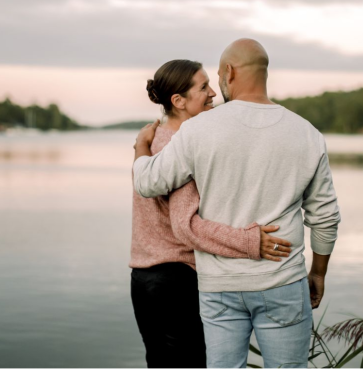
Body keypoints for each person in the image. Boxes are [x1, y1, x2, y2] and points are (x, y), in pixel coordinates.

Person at [133, 39, 341, 369]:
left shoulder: (197, 130)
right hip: (282, 279)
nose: (216, 88)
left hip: (219, 284)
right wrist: (318, 272)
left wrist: (141, 150)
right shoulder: (307, 133)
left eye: (217, 77)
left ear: (229, 72)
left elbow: (147, 183)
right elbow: (326, 216)